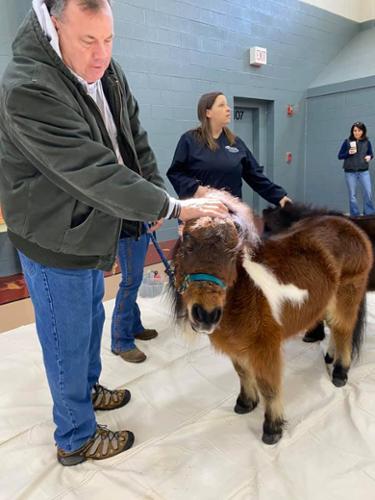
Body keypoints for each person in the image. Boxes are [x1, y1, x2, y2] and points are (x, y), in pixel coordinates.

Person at [0, 0, 228, 466]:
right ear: (54, 24)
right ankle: (75, 436)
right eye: (88, 40)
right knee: (66, 337)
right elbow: (92, 171)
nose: (101, 54)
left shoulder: (107, 71)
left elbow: (132, 138)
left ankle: (86, 390)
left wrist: (153, 197)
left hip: (89, 227)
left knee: (89, 321)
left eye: (109, 40)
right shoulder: (28, 87)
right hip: (51, 234)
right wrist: (173, 206)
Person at [167, 92, 292, 209]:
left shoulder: (235, 143)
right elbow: (175, 173)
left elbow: (255, 175)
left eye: (227, 105)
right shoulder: (189, 140)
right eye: (221, 105)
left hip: (230, 214)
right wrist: (195, 188)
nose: (228, 109)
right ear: (208, 112)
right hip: (199, 212)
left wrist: (279, 196)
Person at [338, 121, 375, 217]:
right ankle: (355, 215)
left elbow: (371, 154)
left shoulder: (367, 142)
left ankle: (369, 214)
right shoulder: (347, 142)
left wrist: (369, 157)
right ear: (352, 131)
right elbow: (340, 156)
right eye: (354, 130)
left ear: (363, 131)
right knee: (352, 196)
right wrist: (348, 153)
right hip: (350, 172)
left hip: (364, 171)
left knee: (368, 192)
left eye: (359, 130)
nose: (356, 132)